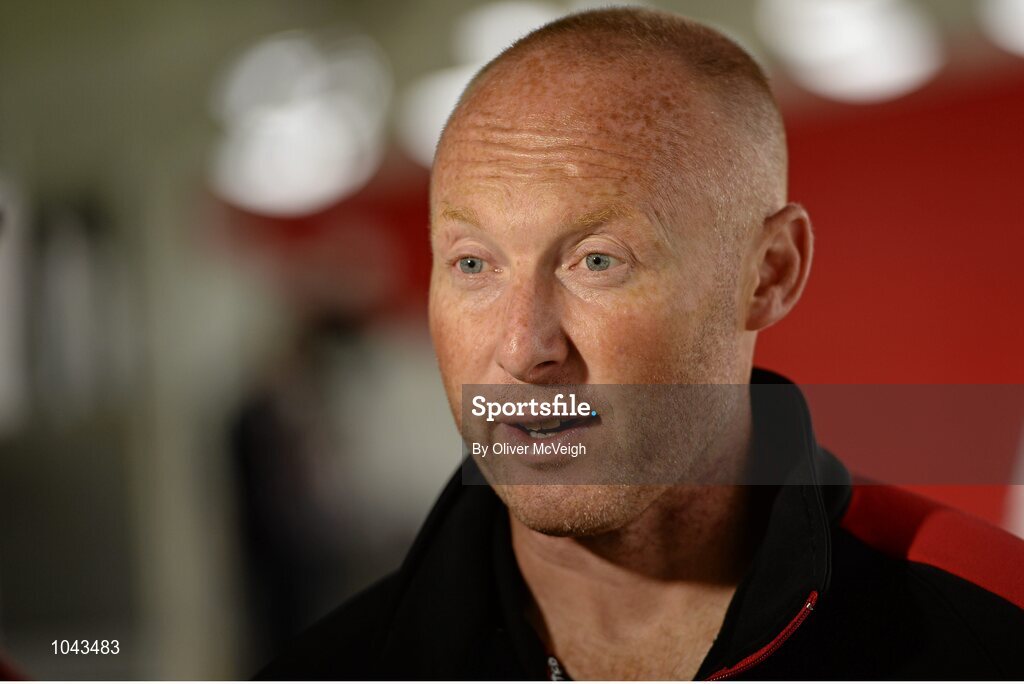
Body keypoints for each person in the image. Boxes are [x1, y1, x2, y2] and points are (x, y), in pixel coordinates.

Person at [257, 7, 1024, 680]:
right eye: (472, 264)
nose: (525, 348)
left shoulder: (990, 638)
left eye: (598, 260)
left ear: (769, 273)